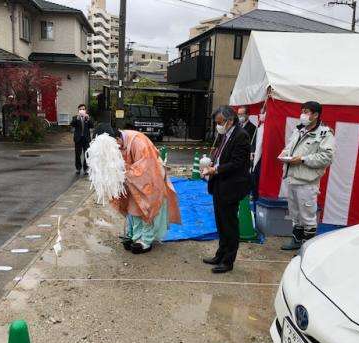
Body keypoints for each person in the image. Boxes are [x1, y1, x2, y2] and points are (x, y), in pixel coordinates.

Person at [95, 124, 181, 254]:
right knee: (131, 208)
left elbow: (146, 168)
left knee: (145, 208)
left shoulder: (138, 142)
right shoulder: (119, 143)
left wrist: (124, 174)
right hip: (131, 180)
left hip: (150, 177)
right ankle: (134, 234)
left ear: (117, 139)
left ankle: (146, 240)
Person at [279, 101, 335, 251]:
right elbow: (289, 147)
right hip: (292, 178)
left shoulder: (324, 133)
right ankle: (296, 240)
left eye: (307, 112)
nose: (303, 114)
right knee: (295, 213)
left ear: (316, 115)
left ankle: (307, 248)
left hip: (307, 182)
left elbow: (326, 157)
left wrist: (303, 159)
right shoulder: (299, 130)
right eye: (302, 111)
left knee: (308, 216)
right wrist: (285, 155)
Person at [202, 106, 251, 273]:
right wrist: (211, 163)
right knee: (220, 222)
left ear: (230, 120)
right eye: (216, 123)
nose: (218, 126)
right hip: (219, 185)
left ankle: (228, 261)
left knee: (229, 224)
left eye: (220, 122)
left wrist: (216, 169)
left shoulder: (241, 136)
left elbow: (237, 163)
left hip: (231, 186)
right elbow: (221, 155)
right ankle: (220, 254)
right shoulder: (224, 134)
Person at [71, 104, 93, 175]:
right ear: (78, 110)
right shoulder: (75, 117)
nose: (82, 110)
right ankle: (78, 168)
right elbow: (72, 124)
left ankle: (86, 168)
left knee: (87, 154)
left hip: (86, 139)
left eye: (83, 109)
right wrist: (77, 118)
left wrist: (88, 119)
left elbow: (92, 126)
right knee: (77, 154)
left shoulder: (88, 117)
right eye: (80, 109)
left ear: (85, 110)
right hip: (78, 139)